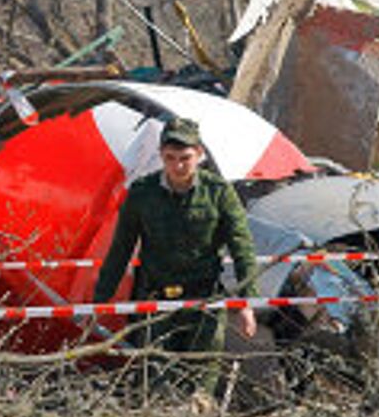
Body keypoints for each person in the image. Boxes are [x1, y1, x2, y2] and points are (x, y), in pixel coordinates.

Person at [91, 117, 258, 388]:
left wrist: (247, 303)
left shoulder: (218, 193)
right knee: (155, 381)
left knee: (201, 383)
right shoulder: (142, 193)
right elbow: (120, 249)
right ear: (160, 155)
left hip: (204, 301)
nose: (178, 166)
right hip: (155, 301)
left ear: (200, 154)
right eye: (170, 158)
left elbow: (242, 248)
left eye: (185, 158)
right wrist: (100, 299)